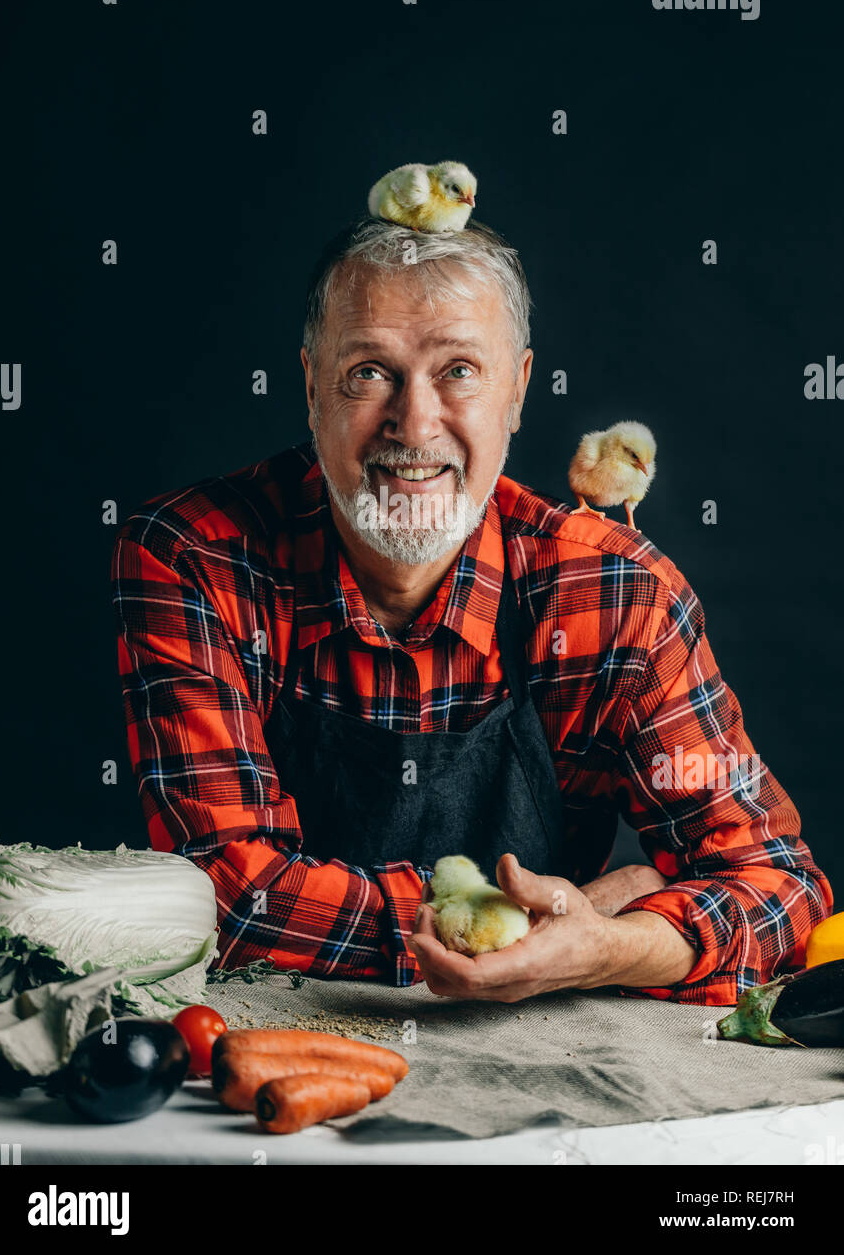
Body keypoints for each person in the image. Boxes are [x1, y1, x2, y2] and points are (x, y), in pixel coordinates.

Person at [111, 216, 832, 1006]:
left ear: (518, 391)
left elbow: (776, 884)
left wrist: (608, 948)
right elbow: (225, 896)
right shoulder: (196, 559)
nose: (415, 425)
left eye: (458, 369)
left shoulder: (615, 594)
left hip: (543, 1065)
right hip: (276, 1038)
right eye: (368, 374)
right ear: (312, 385)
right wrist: (542, 918)